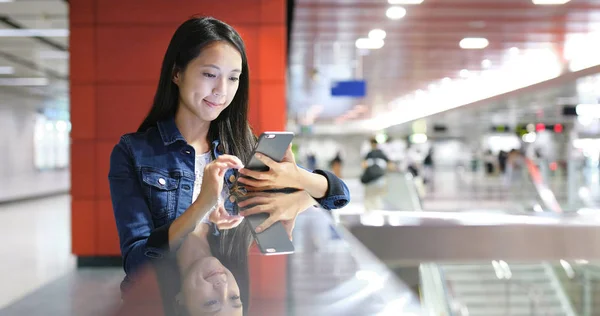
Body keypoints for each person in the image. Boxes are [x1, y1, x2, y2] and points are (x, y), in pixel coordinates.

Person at [107, 16, 351, 301]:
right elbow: (137, 265)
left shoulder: (243, 147)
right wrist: (202, 206)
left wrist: (296, 185)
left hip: (231, 291)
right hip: (167, 302)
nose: (222, 90)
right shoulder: (134, 152)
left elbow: (338, 194)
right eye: (209, 74)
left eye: (233, 77)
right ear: (177, 73)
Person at [361, 138, 392, 212]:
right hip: (380, 179)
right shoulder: (382, 153)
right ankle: (378, 211)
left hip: (369, 180)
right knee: (378, 197)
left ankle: (369, 212)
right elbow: (390, 165)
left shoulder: (369, 154)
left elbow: (363, 165)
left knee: (369, 198)